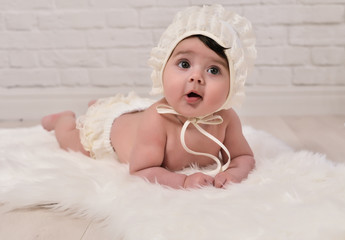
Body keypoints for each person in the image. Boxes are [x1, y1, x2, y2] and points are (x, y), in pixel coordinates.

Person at [41, 4, 257, 189]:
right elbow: (142, 170)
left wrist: (235, 174)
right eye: (184, 64)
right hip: (113, 129)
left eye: (213, 70)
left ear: (233, 83)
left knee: (129, 111)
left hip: (137, 113)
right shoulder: (158, 118)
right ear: (162, 68)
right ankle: (62, 119)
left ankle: (100, 104)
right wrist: (182, 182)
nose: (196, 77)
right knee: (75, 142)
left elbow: (244, 157)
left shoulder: (226, 119)